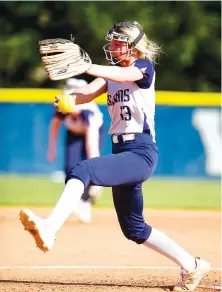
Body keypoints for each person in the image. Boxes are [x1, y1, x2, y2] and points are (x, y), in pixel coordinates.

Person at [20, 21, 210, 291]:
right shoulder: (113, 74)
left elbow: (123, 76)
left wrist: (85, 66)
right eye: (112, 42)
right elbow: (89, 91)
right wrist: (71, 99)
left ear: (133, 47)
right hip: (121, 152)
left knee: (82, 170)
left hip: (140, 153)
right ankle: (193, 265)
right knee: (134, 229)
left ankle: (49, 228)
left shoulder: (143, 67)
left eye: (119, 42)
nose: (112, 46)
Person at [47, 78, 105, 223]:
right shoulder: (63, 109)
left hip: (92, 134)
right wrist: (51, 148)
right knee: (70, 169)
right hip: (73, 135)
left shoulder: (88, 114)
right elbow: (54, 126)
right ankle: (76, 202)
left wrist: (95, 165)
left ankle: (86, 202)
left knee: (88, 166)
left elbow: (91, 144)